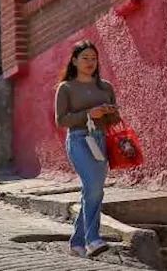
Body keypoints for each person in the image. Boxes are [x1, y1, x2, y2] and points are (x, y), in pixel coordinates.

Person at [55, 39, 119, 258]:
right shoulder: (66, 88)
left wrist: (109, 112)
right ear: (74, 61)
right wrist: (88, 114)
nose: (90, 62)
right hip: (79, 141)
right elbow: (61, 120)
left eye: (93, 58)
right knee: (93, 187)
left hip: (100, 141)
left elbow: (115, 119)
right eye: (85, 58)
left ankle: (77, 243)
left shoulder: (106, 86)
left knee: (93, 191)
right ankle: (93, 239)